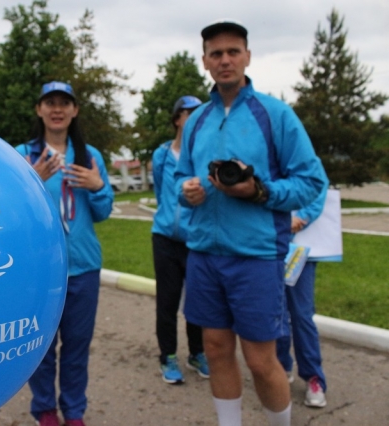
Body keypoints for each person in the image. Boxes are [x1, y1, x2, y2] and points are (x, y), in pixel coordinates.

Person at [174, 21, 326, 426]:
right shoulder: (196, 121)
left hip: (257, 255)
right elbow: (179, 177)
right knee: (216, 348)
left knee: (261, 359)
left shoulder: (275, 115)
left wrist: (259, 192)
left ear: (247, 56)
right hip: (204, 254)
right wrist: (186, 190)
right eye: (216, 53)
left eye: (233, 52)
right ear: (205, 61)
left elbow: (312, 182)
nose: (225, 60)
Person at [15, 81, 114, 426]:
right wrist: (32, 181)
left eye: (64, 103)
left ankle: (74, 411)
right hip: (39, 270)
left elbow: (103, 212)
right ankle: (45, 409)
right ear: (39, 109)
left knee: (76, 347)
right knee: (40, 347)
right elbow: (11, 215)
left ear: (75, 111)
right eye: (50, 102)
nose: (57, 109)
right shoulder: (23, 156)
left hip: (83, 267)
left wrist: (98, 187)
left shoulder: (90, 157)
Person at [151, 95, 208, 384]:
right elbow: (163, 193)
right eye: (189, 113)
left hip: (194, 240)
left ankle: (198, 353)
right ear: (177, 119)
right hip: (163, 237)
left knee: (196, 301)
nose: (195, 118)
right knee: (167, 300)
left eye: (200, 113)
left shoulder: (205, 156)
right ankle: (168, 356)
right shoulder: (161, 155)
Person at [276, 182, 329, 408]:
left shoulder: (304, 156)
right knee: (274, 312)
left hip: (302, 250)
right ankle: (280, 366)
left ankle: (313, 378)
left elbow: (318, 188)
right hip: (267, 246)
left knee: (301, 315)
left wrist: (302, 218)